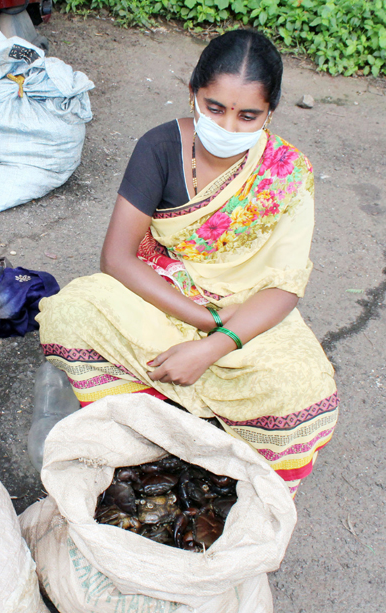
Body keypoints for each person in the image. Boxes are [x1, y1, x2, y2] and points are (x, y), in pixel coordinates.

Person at [37, 29, 337, 495]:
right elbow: (117, 257)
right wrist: (205, 320)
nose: (228, 126)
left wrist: (213, 346)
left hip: (247, 312)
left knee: (299, 387)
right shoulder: (159, 147)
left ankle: (221, 457)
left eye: (248, 116)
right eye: (214, 108)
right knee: (71, 312)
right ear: (193, 93)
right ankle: (152, 434)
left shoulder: (287, 172)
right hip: (168, 292)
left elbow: (284, 286)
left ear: (270, 113)